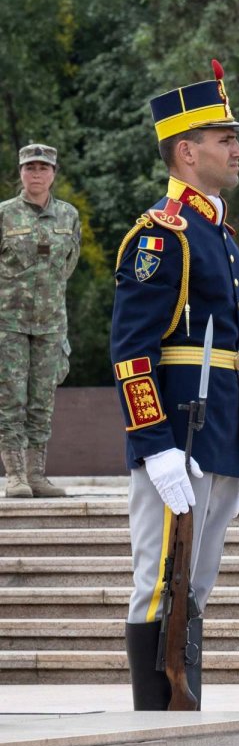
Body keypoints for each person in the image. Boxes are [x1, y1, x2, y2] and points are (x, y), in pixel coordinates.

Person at [111, 59, 239, 709]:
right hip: (178, 433)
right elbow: (132, 353)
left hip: (217, 433)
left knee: (194, 584)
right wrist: (154, 443)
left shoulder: (217, 234)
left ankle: (182, 708)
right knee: (158, 579)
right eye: (227, 140)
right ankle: (153, 720)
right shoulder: (161, 236)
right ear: (187, 151)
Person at [0, 143, 79, 498]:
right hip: (9, 323)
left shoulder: (68, 216)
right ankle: (14, 475)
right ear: (20, 172)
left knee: (42, 399)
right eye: (30, 168)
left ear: (53, 174)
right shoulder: (4, 214)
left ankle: (36, 474)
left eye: (43, 168)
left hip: (50, 324)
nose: (36, 174)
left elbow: (68, 265)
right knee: (9, 397)